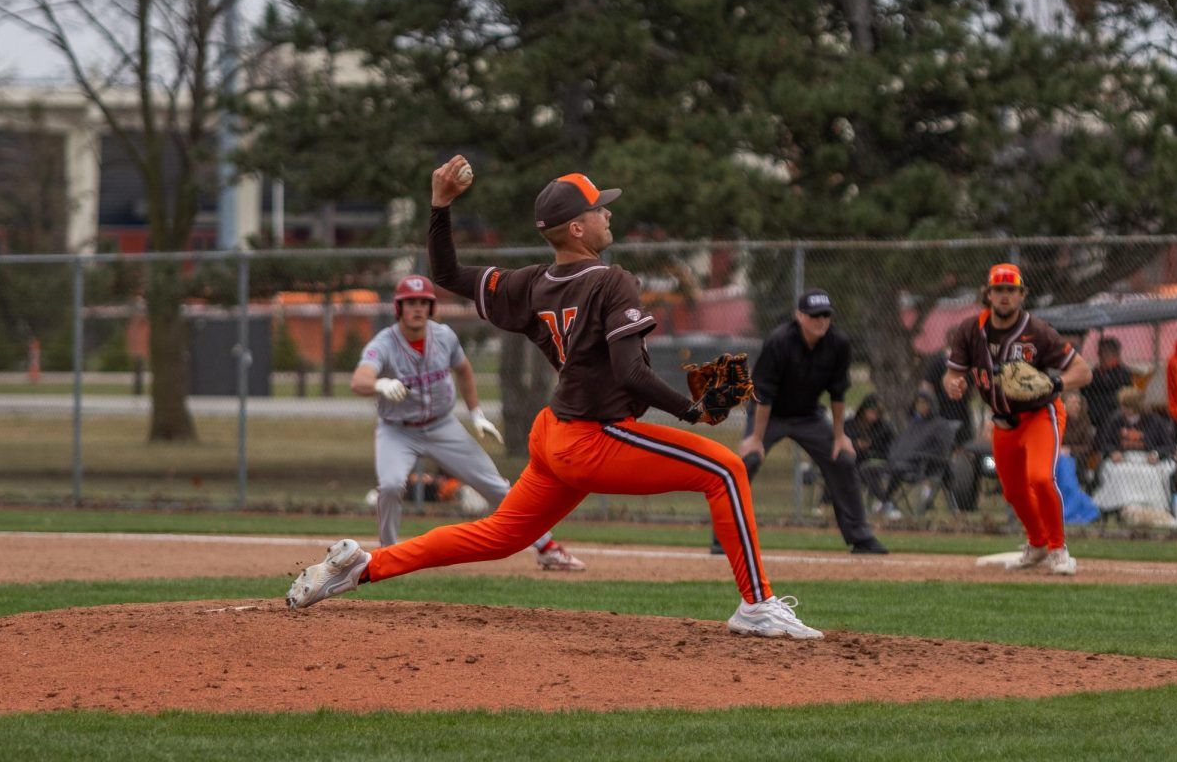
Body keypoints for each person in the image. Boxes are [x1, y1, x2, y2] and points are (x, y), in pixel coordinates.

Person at [287, 156, 823, 639]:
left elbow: (446, 273)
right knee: (725, 469)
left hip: (554, 436)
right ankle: (756, 605)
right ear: (577, 227)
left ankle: (364, 565)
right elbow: (631, 372)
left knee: (498, 535)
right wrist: (692, 409)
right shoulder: (613, 282)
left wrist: (440, 207)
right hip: (594, 438)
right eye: (599, 210)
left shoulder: (530, 283)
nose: (607, 215)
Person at [351, 274, 585, 571]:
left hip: (440, 425)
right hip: (397, 430)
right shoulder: (384, 342)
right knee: (391, 486)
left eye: (423, 302)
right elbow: (360, 379)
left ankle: (547, 548)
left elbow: (463, 370)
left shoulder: (444, 336)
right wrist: (380, 384)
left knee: (495, 486)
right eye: (410, 302)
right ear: (398, 307)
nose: (417, 308)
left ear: (432, 307)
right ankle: (387, 555)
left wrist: (476, 413)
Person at [942, 263, 1093, 575]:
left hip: (1039, 414)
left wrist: (1056, 383)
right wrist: (953, 384)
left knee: (1039, 477)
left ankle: (1058, 549)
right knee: (1012, 491)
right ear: (988, 294)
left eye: (1011, 289)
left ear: (1022, 294)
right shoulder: (971, 331)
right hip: (1002, 421)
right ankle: (1037, 544)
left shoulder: (1037, 331)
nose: (1005, 295)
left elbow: (1083, 371)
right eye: (999, 289)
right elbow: (952, 375)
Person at [714, 289, 888, 555]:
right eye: (814, 315)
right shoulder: (779, 341)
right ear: (799, 316)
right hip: (769, 415)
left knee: (842, 459)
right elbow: (764, 393)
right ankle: (723, 538)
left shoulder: (838, 343)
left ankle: (861, 537)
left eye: (825, 315)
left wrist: (840, 436)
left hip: (809, 416)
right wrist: (756, 439)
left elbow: (838, 392)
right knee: (746, 461)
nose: (820, 321)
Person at [1091, 386, 1176, 519]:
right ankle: (1121, 506)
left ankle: (1152, 506)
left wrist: (1157, 454)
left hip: (1147, 459)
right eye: (1123, 406)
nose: (1123, 409)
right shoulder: (1116, 420)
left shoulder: (1154, 421)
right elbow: (1103, 442)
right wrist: (1113, 452)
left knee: (1153, 473)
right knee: (1116, 471)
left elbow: (1169, 446)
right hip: (1124, 459)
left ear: (1136, 407)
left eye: (1127, 406)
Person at [876, 392, 956, 516]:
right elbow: (901, 443)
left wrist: (916, 456)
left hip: (922, 467)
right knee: (867, 469)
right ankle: (886, 502)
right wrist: (894, 455)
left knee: (897, 469)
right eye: (918, 402)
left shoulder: (941, 425)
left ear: (932, 405)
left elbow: (942, 450)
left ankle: (886, 503)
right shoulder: (914, 423)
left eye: (924, 403)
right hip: (901, 462)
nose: (920, 406)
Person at [920, 332, 974, 448]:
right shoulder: (940, 361)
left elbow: (972, 387)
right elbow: (927, 385)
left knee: (960, 442)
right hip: (944, 409)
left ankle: (957, 461)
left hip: (959, 409)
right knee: (947, 444)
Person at [845, 393, 897, 513]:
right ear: (863, 410)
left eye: (877, 413)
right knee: (841, 466)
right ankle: (826, 504)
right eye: (871, 411)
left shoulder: (884, 427)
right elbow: (843, 441)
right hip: (853, 458)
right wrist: (856, 444)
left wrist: (870, 447)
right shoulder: (850, 424)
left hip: (876, 460)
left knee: (865, 470)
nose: (873, 416)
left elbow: (891, 448)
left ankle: (886, 503)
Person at [1082, 337, 1132, 432]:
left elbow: (1123, 394)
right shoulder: (1095, 372)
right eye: (1100, 353)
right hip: (1093, 412)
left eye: (1103, 352)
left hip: (1112, 411)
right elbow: (1085, 391)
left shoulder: (1122, 373)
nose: (1099, 356)